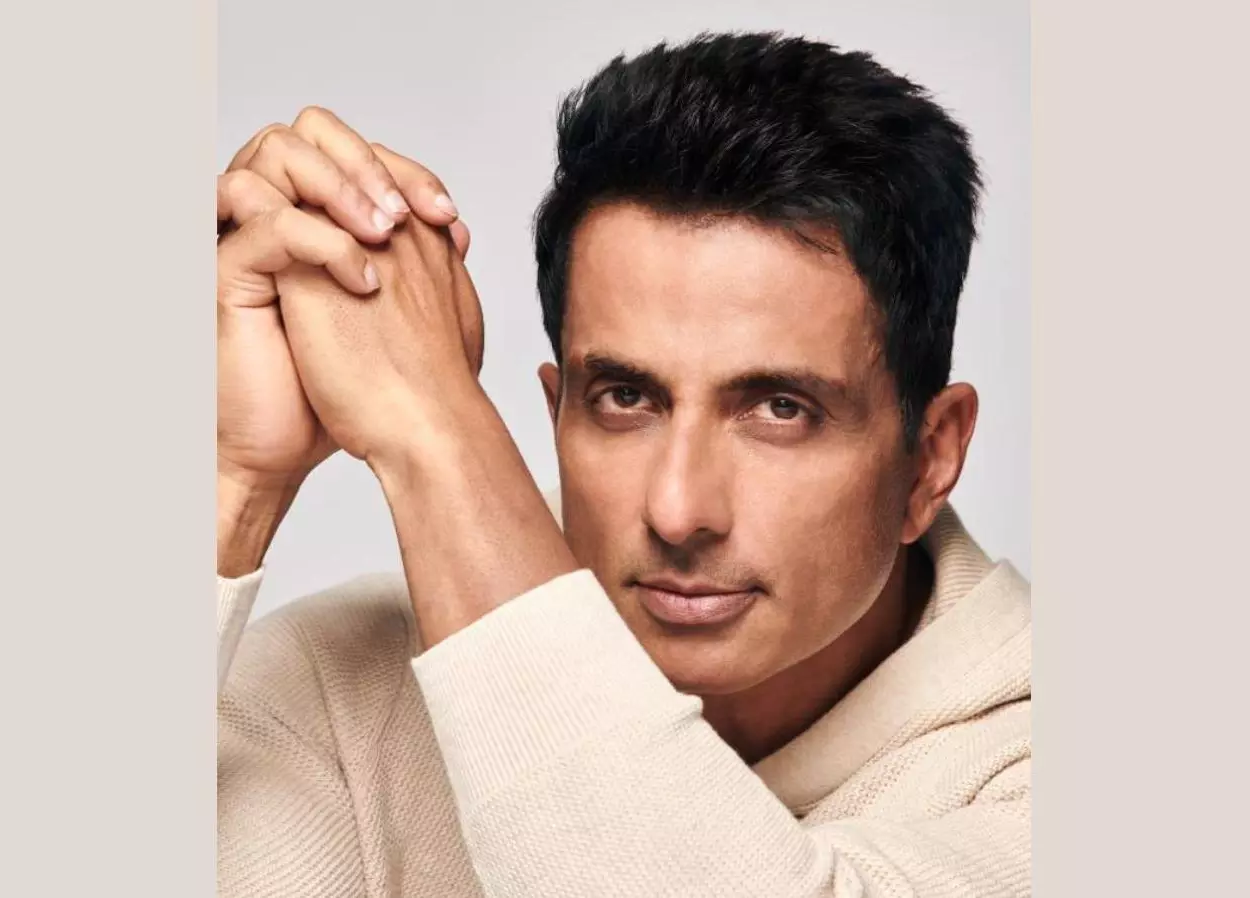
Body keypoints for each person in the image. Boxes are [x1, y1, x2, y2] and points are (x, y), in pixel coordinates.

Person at [216, 31, 1030, 898]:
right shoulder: (340, 689)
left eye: (780, 409)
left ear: (930, 460)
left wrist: (434, 425)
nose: (679, 511)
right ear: (556, 413)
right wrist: (233, 481)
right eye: (626, 398)